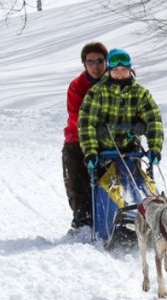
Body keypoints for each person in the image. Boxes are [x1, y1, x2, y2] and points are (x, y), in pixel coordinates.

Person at [78, 48, 163, 181]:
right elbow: (86, 123)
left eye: (124, 70)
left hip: (131, 151)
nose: (120, 74)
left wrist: (154, 148)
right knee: (108, 191)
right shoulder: (97, 93)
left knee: (138, 186)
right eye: (116, 71)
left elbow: (154, 120)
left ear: (130, 70)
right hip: (103, 153)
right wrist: (90, 151)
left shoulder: (140, 93)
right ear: (109, 71)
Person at [62, 42, 108, 230]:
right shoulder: (77, 86)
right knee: (78, 181)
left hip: (112, 141)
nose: (95, 66)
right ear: (84, 64)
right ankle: (82, 217)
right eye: (90, 62)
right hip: (79, 141)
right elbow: (76, 116)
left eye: (99, 61)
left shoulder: (117, 79)